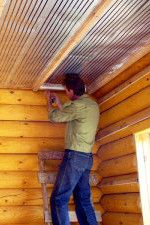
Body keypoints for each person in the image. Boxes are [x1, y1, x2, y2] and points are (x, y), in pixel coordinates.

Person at [46, 73, 99, 225]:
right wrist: (60, 103)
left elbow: (54, 117)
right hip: (86, 158)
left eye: (65, 91)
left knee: (58, 199)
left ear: (71, 91)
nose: (65, 94)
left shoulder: (77, 106)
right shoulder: (92, 104)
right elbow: (71, 115)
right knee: (83, 200)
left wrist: (49, 103)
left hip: (74, 157)